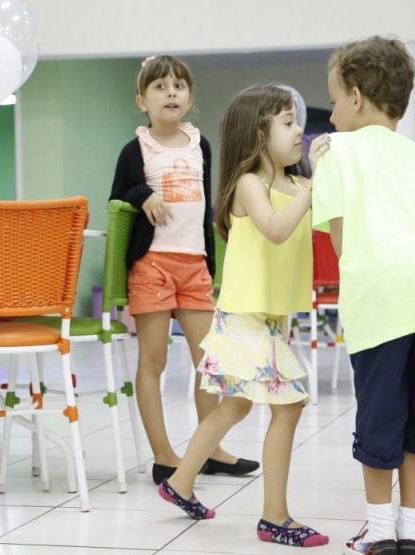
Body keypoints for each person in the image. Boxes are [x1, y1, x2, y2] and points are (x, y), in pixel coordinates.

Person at [312, 36, 415, 554]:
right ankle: (413, 527)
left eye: (335, 102)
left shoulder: (337, 152)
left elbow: (341, 242)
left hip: (381, 292)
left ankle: (379, 532)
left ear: (356, 97)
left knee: (381, 411)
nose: (333, 116)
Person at [158, 84, 330, 548]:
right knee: (289, 406)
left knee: (234, 404)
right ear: (258, 133)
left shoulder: (294, 184)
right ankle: (275, 517)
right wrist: (312, 189)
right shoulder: (249, 185)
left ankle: (179, 483)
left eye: (298, 122)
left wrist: (318, 180)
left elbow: (317, 224)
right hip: (243, 318)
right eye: (289, 123)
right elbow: (275, 230)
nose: (301, 131)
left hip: (268, 318)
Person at [109, 55, 257, 486]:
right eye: (159, 86)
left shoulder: (201, 145)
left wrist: (213, 265)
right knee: (152, 361)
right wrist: (142, 194)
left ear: (190, 98)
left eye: (178, 86)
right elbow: (118, 196)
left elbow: (207, 207)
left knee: (209, 363)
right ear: (142, 100)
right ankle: (163, 455)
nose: (170, 92)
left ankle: (208, 449)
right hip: (153, 265)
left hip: (194, 265)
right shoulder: (135, 149)